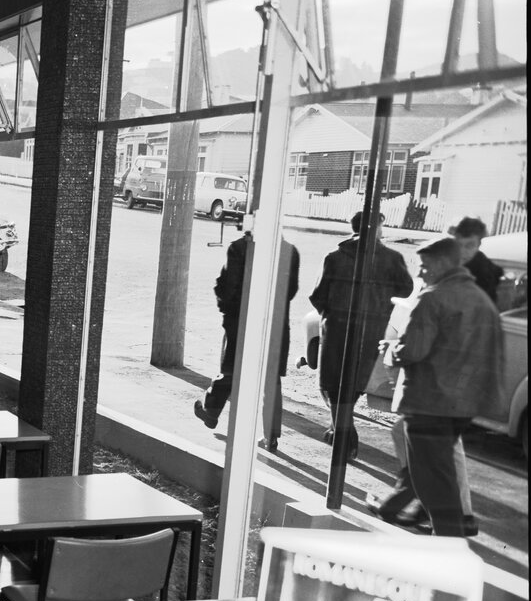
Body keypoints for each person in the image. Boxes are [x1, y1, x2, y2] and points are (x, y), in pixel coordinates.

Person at [370, 236, 503, 537]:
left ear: (443, 264)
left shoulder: (432, 298)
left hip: (428, 401)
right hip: (462, 404)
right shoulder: (480, 299)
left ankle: (446, 542)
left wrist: (390, 349)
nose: (420, 274)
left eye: (424, 267)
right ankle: (444, 533)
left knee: (431, 479)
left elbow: (413, 350)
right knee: (438, 474)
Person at [309, 210, 414, 460]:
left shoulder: (334, 258)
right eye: (380, 227)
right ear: (374, 229)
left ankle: (344, 437)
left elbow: (318, 295)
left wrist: (330, 314)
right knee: (354, 384)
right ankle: (342, 434)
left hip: (337, 330)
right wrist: (381, 309)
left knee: (334, 385)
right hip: (371, 331)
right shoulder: (392, 258)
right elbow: (406, 290)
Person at [192, 231, 301, 450]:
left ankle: (211, 410)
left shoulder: (240, 247)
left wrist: (228, 312)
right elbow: (290, 291)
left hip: (242, 321)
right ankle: (271, 437)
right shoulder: (290, 251)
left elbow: (227, 286)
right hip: (275, 324)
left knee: (231, 369)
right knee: (271, 381)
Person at [449, 215, 503, 302]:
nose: (462, 251)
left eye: (469, 246)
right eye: (458, 244)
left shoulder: (485, 275)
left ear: (478, 245)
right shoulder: (443, 263)